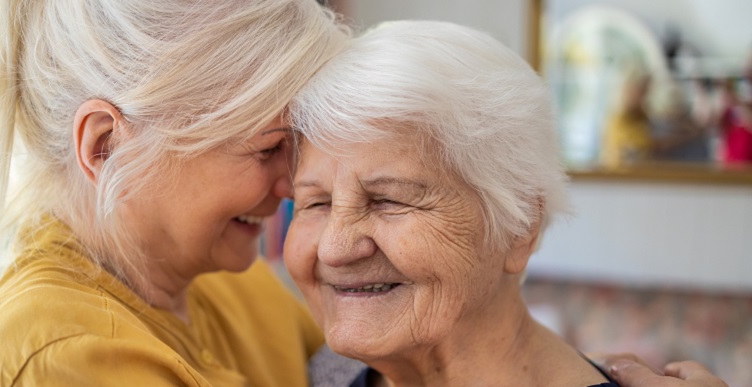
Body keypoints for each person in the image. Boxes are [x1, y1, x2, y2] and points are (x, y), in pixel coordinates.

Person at [284, 20, 729, 387]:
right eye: (316, 204)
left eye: (388, 200)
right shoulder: (319, 374)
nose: (334, 248)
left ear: (520, 228)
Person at [0, 0, 348, 385]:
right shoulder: (58, 358)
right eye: (268, 148)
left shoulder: (236, 283)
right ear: (106, 147)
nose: (291, 185)